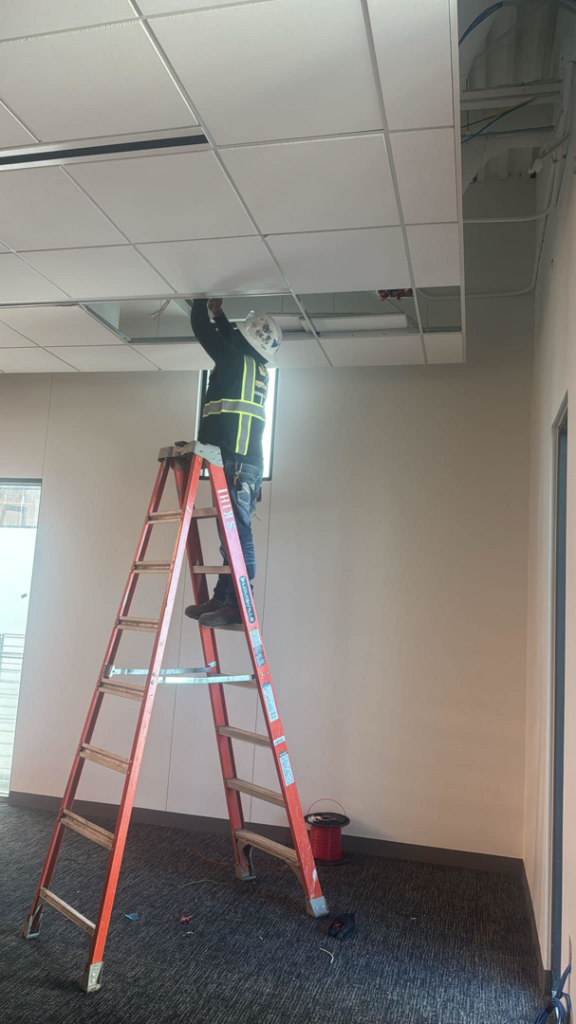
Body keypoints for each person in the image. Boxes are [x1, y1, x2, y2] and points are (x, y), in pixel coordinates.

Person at [184, 297, 282, 627]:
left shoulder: (234, 360)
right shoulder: (254, 368)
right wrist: (220, 315)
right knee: (232, 536)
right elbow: (228, 341)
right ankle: (223, 598)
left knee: (237, 536)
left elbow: (205, 333)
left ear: (245, 340)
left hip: (236, 463)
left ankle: (241, 603)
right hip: (246, 463)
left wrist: (198, 300)